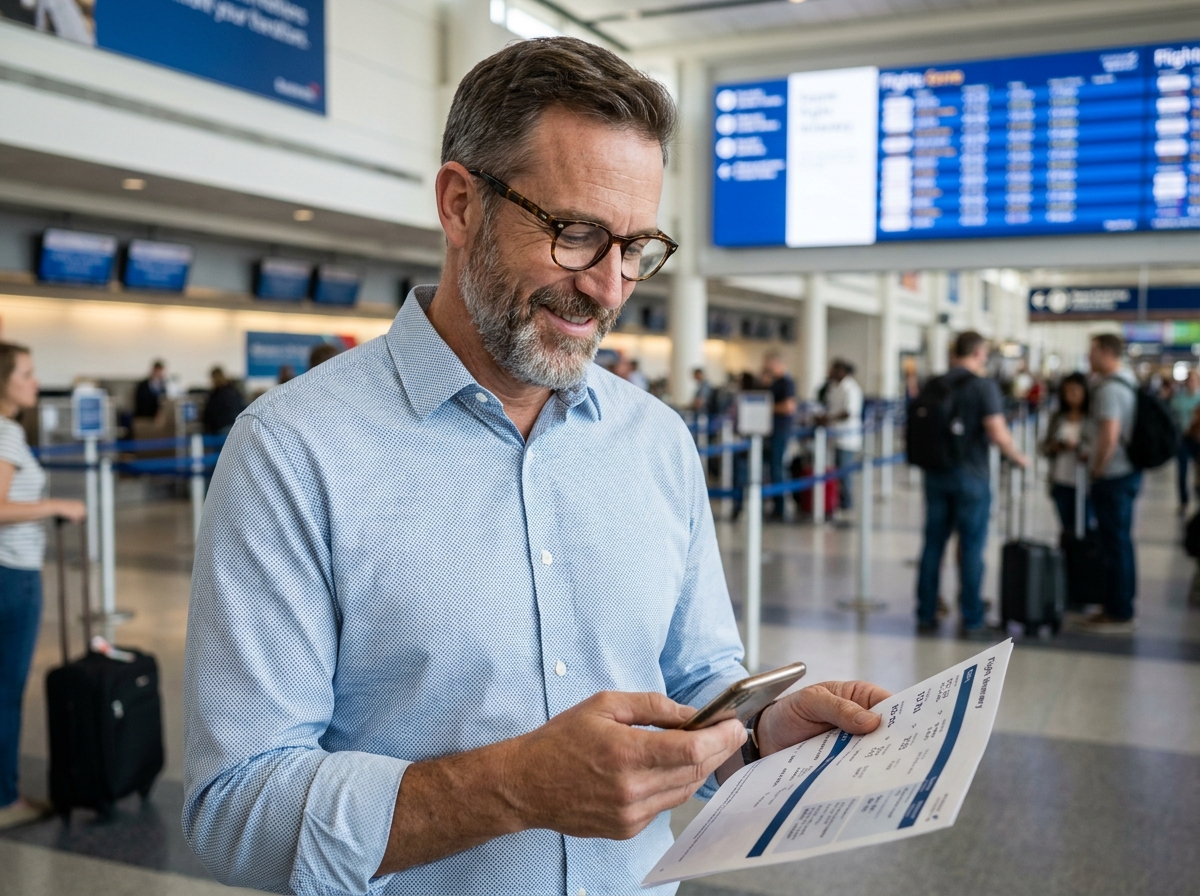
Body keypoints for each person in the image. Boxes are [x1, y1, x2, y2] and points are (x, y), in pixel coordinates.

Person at [182, 38, 890, 896]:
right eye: (576, 234)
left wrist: (762, 730)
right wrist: (513, 787)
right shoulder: (293, 452)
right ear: (460, 206)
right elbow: (235, 808)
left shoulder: (657, 441)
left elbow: (695, 684)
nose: (610, 288)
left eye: (634, 246)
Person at [0, 342, 86, 830]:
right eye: (26, 374)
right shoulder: (6, 432)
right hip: (11, 574)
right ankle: (5, 799)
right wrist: (57, 506)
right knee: (6, 689)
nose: (36, 383)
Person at [915, 331, 1028, 638]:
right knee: (971, 547)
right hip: (971, 477)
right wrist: (1018, 456)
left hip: (935, 474)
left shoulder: (934, 382)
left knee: (933, 545)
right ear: (979, 353)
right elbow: (996, 430)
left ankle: (925, 612)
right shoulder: (982, 386)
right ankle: (972, 616)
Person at [1084, 333, 1142, 633]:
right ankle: (1118, 604)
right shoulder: (1128, 381)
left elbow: (1109, 435)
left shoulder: (1109, 389)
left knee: (1115, 543)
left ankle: (1119, 611)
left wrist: (1097, 469)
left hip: (1114, 475)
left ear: (1107, 352)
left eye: (1093, 351)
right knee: (1119, 541)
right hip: (1127, 471)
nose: (1089, 356)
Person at [1041, 372, 1092, 534]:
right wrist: (1056, 446)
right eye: (1067, 392)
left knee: (1085, 526)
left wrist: (1080, 447)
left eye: (1075, 391)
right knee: (1066, 527)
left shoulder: (1091, 418)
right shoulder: (1058, 417)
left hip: (1084, 481)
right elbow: (1044, 446)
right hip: (1060, 479)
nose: (1070, 396)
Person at [817, 359, 863, 514]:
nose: (830, 373)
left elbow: (848, 412)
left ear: (842, 371)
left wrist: (828, 419)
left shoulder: (851, 388)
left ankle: (846, 502)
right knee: (836, 471)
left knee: (844, 472)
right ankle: (837, 500)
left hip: (847, 437)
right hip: (834, 435)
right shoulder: (833, 386)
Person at [762, 352, 796, 521]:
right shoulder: (774, 382)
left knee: (777, 468)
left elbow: (788, 407)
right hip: (771, 430)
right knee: (771, 468)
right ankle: (775, 504)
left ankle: (780, 507)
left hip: (780, 430)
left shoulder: (786, 382)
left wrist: (766, 407)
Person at [1171, 369, 1200, 511]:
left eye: (1193, 380)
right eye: (1189, 380)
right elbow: (1172, 417)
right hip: (1182, 439)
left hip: (1197, 440)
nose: (1191, 383)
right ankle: (1184, 500)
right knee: (1182, 471)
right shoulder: (1178, 399)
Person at [200, 366, 245, 437]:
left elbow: (212, 412)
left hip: (221, 427)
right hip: (234, 425)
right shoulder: (233, 390)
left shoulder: (217, 393)